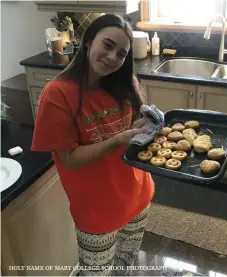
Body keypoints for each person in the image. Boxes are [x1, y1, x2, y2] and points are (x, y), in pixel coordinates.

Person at [31, 14, 155, 276]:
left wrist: (148, 124)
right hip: (96, 212)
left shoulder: (126, 83)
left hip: (138, 195)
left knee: (125, 265)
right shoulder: (58, 94)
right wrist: (118, 139)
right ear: (88, 42)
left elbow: (132, 130)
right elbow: (70, 159)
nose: (113, 58)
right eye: (107, 45)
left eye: (121, 53)